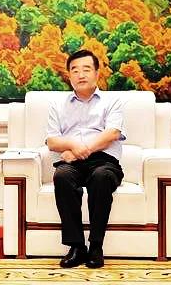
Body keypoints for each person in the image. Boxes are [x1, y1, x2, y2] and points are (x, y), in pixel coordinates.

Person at [46, 49, 126, 269]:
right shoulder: (57, 105)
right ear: (69, 75)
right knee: (62, 176)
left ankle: (96, 247)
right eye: (75, 70)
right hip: (71, 163)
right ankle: (77, 247)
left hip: (104, 161)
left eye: (86, 69)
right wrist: (72, 147)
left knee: (101, 177)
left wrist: (80, 150)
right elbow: (52, 141)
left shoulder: (112, 101)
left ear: (97, 73)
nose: (81, 75)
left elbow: (112, 134)